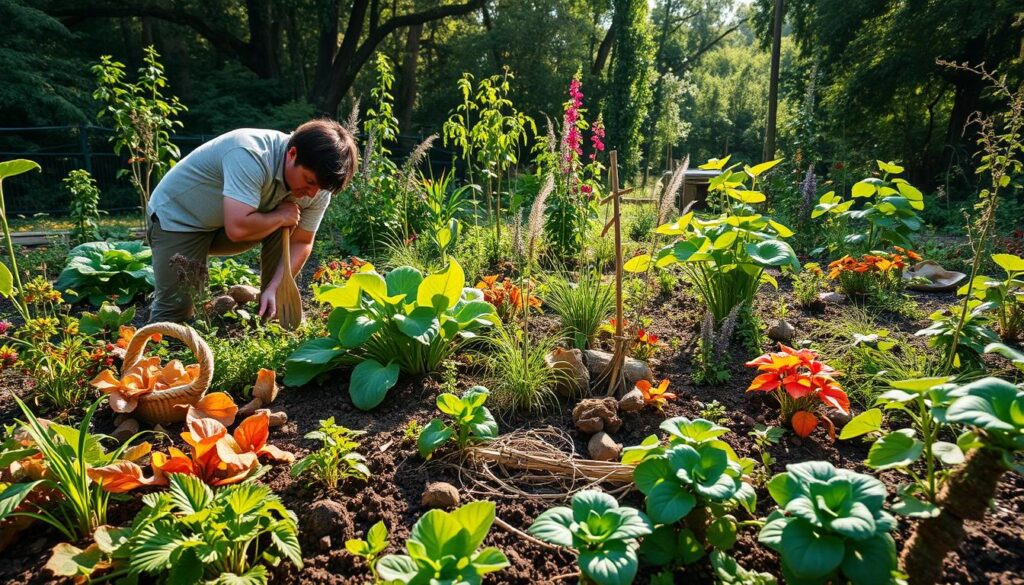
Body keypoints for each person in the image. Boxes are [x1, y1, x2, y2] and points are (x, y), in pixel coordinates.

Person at [145, 119, 358, 323]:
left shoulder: (318, 184)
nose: (311, 194)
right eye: (309, 182)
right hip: (178, 222)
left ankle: (270, 309)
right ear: (292, 154)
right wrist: (281, 216)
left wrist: (277, 287)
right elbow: (237, 229)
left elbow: (301, 241)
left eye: (319, 188)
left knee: (288, 221)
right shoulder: (250, 153)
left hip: (227, 225)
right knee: (175, 313)